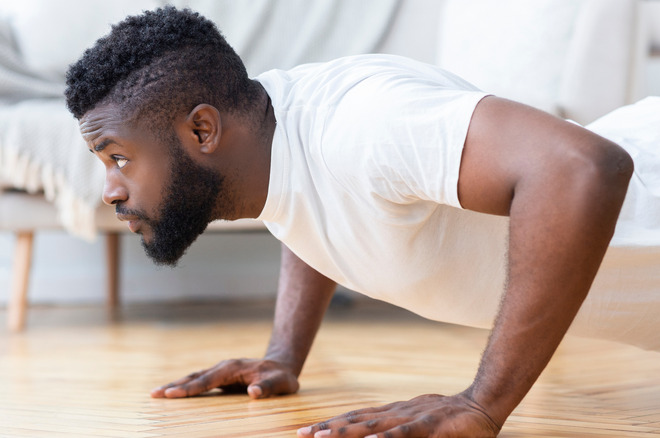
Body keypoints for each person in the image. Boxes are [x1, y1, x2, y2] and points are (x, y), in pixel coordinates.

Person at [64, 6, 660, 437]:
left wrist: (483, 402)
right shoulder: (271, 139)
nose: (110, 190)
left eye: (118, 156)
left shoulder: (364, 123)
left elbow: (583, 169)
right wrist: (283, 354)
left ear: (202, 131)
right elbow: (308, 199)